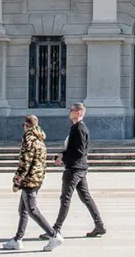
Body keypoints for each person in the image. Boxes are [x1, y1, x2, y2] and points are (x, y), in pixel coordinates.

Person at [44, 102, 106, 240]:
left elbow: (79, 152)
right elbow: (74, 149)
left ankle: (55, 230)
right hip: (80, 168)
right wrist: (61, 155)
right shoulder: (77, 128)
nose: (69, 112)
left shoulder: (79, 129)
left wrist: (63, 158)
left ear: (79, 112)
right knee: (86, 197)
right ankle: (99, 225)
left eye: (72, 110)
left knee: (65, 198)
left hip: (74, 169)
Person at [3, 115, 64, 252]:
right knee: (23, 210)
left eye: (23, 126)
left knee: (32, 210)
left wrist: (16, 181)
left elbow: (25, 163)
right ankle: (18, 239)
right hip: (37, 178)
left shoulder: (29, 140)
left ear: (26, 126)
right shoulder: (40, 138)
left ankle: (53, 235)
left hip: (30, 180)